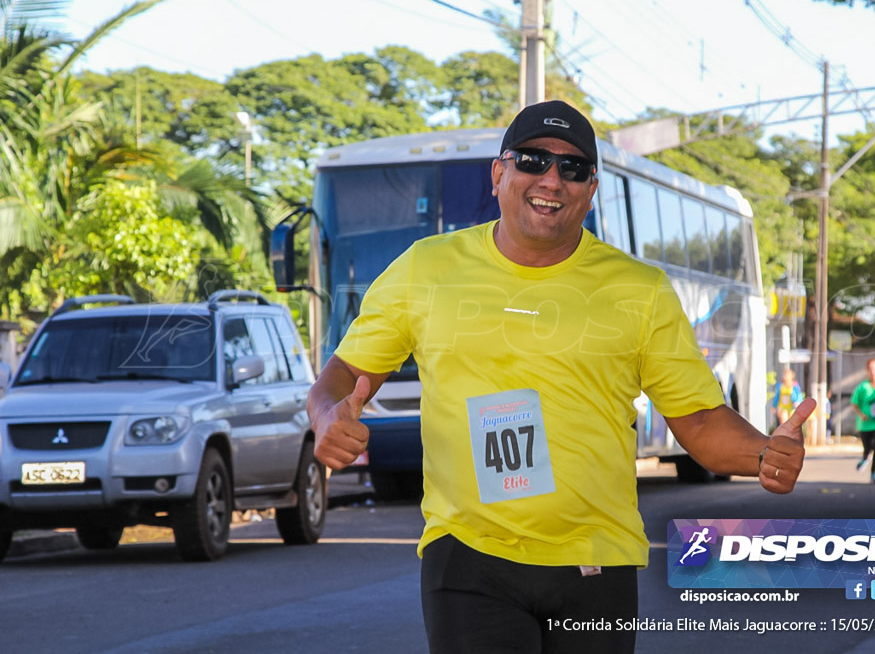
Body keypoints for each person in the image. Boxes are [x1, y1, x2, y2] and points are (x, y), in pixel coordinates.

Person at [306, 100, 813, 654]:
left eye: (572, 169)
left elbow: (697, 420)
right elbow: (345, 373)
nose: (551, 179)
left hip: (595, 564)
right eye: (532, 161)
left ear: (590, 189)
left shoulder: (638, 291)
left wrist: (763, 455)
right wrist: (327, 415)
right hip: (471, 555)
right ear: (499, 173)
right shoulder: (426, 269)